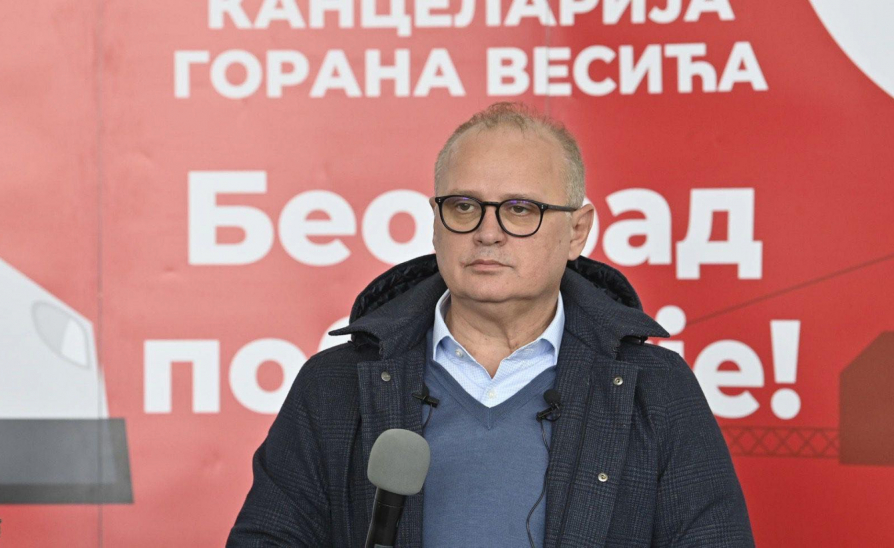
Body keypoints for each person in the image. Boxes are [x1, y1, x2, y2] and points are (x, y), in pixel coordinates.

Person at [227, 102, 755, 547]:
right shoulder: (333, 385)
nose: (487, 232)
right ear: (436, 224)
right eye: (463, 206)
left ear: (577, 232)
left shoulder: (656, 390)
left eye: (520, 209)